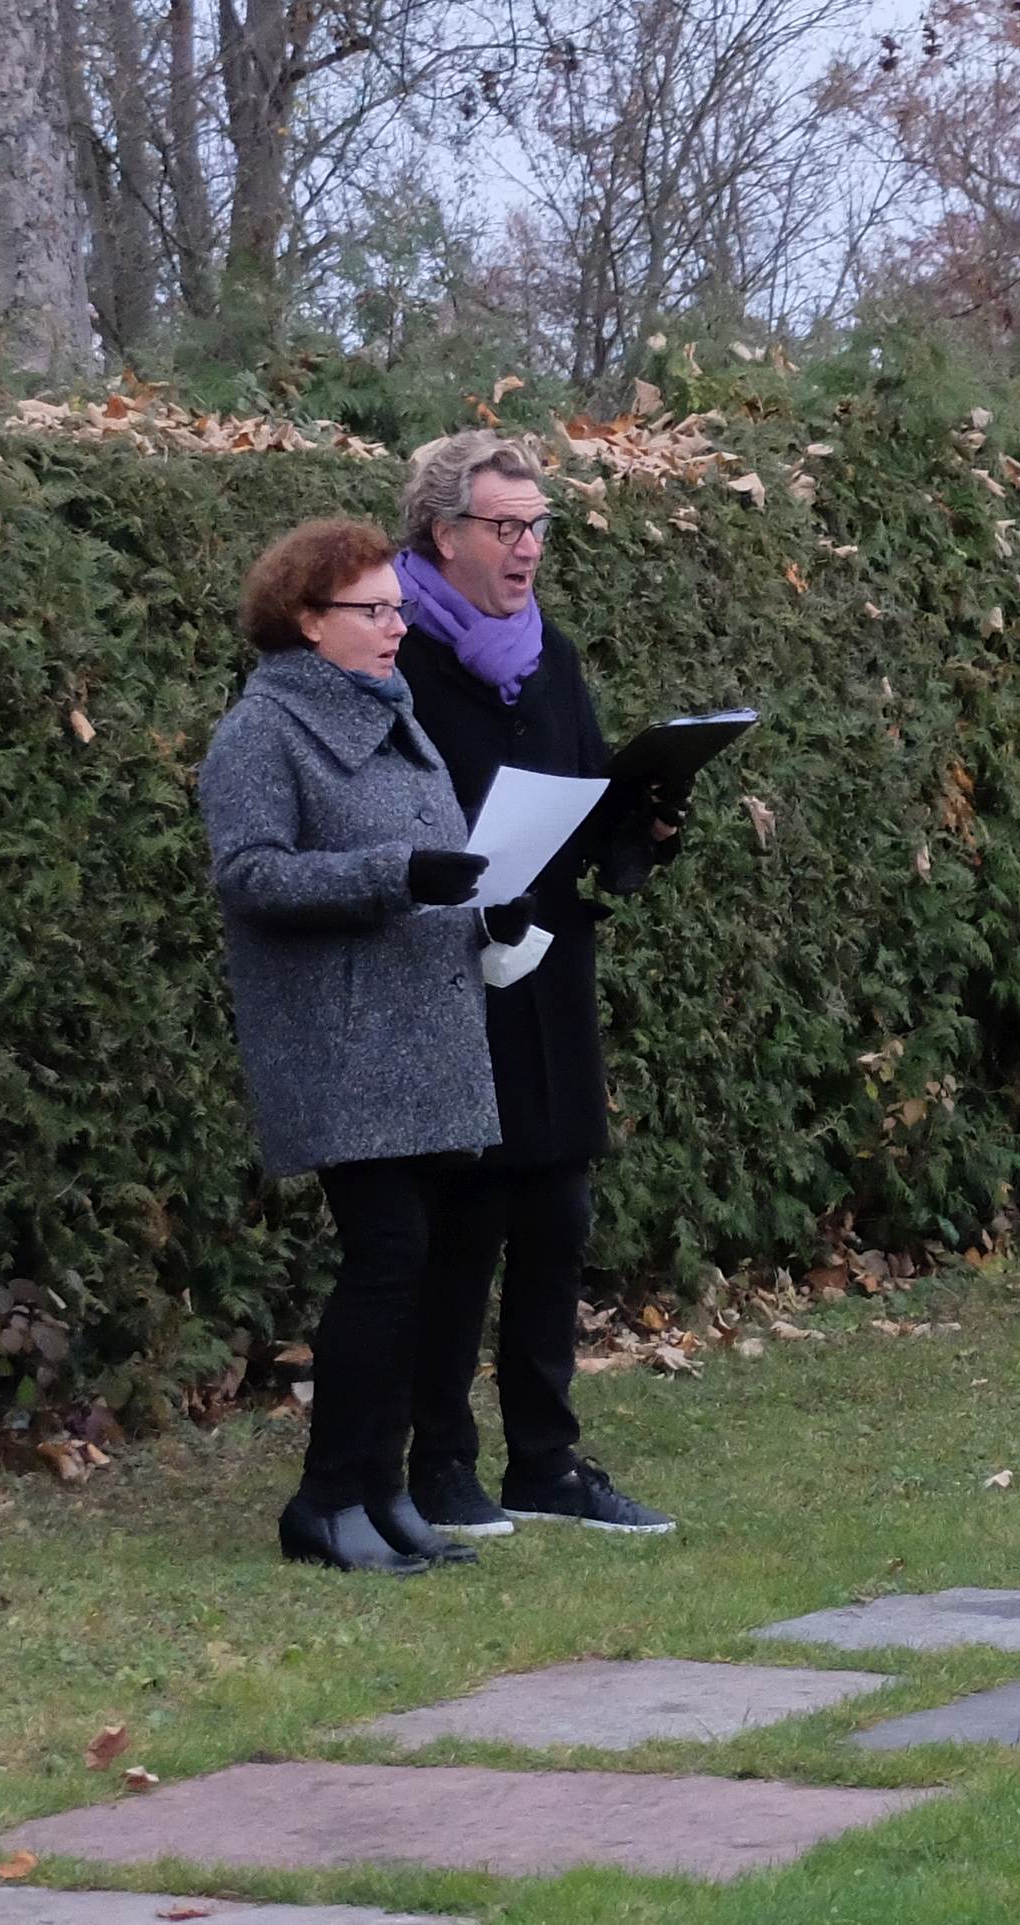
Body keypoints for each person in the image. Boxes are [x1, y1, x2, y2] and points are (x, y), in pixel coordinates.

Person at [200, 520, 506, 1573]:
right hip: (342, 1043)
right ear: (306, 621)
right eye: (373, 610)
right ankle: (326, 1498)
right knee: (386, 1261)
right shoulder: (262, 731)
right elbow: (248, 876)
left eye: (397, 607)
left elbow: (435, 866)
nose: (397, 624)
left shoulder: (395, 713)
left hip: (424, 1030)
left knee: (422, 1267)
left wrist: (482, 914)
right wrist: (393, 874)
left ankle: (381, 1490)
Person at [389, 430, 680, 1538]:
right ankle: (440, 1461)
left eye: (539, 527)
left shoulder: (545, 650)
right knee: (465, 1217)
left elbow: (586, 790)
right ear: (442, 534)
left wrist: (642, 820)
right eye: (505, 528)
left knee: (558, 1209)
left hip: (548, 961)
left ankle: (545, 1458)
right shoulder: (396, 654)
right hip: (447, 964)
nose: (527, 551)